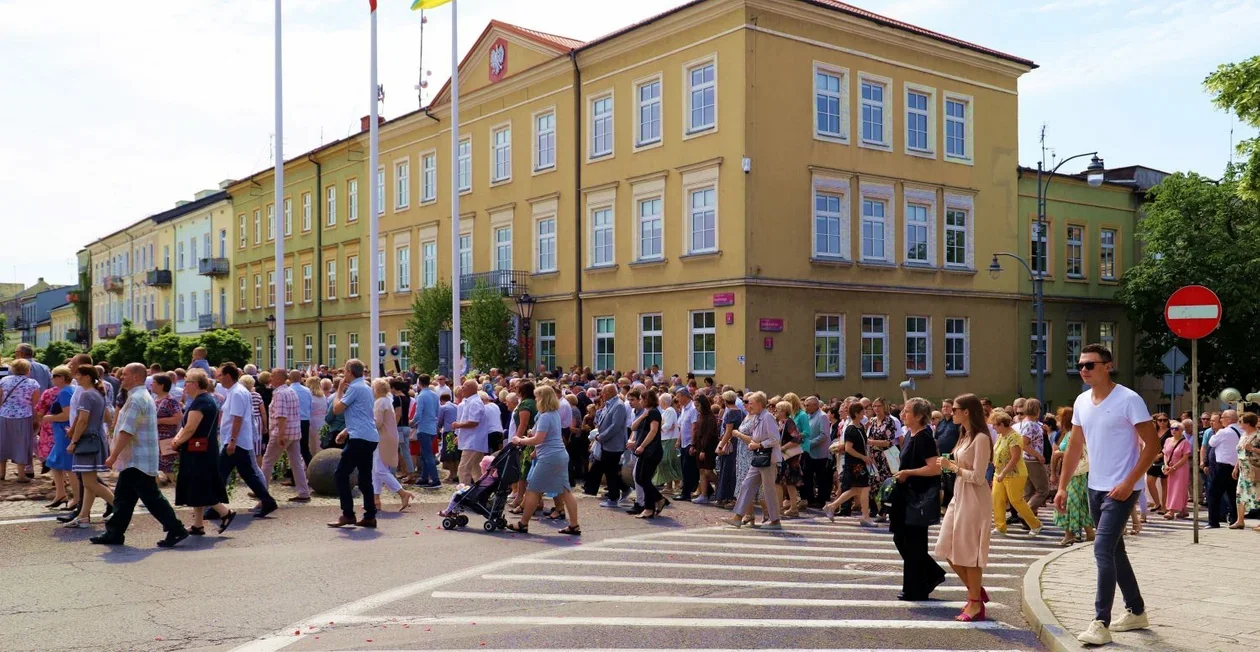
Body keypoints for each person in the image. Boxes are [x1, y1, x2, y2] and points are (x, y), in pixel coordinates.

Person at [1056, 343, 1158, 646]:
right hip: (1094, 486)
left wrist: (1129, 483)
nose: (1084, 370)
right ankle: (1137, 611)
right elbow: (1074, 447)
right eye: (1080, 366)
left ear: (1108, 366)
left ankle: (1101, 621)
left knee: (1101, 549)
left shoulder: (1129, 399)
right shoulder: (1081, 401)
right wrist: (1061, 486)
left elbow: (1152, 446)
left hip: (1121, 489)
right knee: (1115, 551)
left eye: (1090, 365)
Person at [86, 363, 189, 547]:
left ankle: (176, 528)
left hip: (137, 458)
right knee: (124, 498)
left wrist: (112, 456)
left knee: (151, 497)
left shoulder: (136, 399)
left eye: (124, 374)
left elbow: (127, 431)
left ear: (135, 376)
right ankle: (115, 533)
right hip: (135, 458)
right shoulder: (139, 396)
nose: (120, 377)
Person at [937, 393, 993, 621]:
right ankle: (976, 591)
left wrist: (953, 467)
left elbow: (980, 477)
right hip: (959, 494)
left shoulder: (980, 438)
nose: (951, 413)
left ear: (967, 411)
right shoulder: (965, 435)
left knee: (969, 553)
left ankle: (975, 603)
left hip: (974, 498)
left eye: (956, 409)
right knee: (945, 547)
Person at [889, 397, 945, 602]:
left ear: (919, 416)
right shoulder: (911, 435)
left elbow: (935, 467)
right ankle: (930, 575)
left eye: (907, 411)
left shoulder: (924, 437)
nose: (903, 414)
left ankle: (917, 587)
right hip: (905, 495)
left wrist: (908, 473)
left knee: (913, 542)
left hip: (916, 497)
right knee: (902, 539)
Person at [506, 385, 580, 535]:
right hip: (558, 455)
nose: (536, 400)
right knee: (566, 491)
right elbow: (547, 438)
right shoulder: (553, 414)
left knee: (533, 489)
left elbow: (539, 438)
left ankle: (523, 523)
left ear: (543, 399)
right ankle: (574, 525)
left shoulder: (546, 416)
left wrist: (520, 440)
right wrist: (534, 448)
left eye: (537, 397)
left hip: (549, 457)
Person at [171, 369, 234, 536]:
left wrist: (177, 442)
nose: (184, 386)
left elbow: (190, 428)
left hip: (198, 450)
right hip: (204, 448)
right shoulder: (206, 400)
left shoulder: (200, 403)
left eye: (187, 383)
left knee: (199, 484)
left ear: (196, 384)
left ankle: (224, 512)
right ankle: (198, 524)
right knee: (197, 485)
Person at [216, 363, 278, 519]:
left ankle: (216, 507)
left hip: (236, 442)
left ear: (228, 376)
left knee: (222, 473)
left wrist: (232, 440)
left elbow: (237, 418)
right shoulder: (236, 391)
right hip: (238, 441)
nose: (218, 378)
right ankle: (267, 501)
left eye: (220, 375)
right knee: (245, 474)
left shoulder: (237, 393)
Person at [328, 359, 379, 528]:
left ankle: (348, 514)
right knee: (365, 478)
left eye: (344, 371)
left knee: (341, 474)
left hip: (359, 437)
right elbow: (361, 414)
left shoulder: (354, 388)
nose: (343, 374)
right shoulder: (366, 387)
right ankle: (370, 515)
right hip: (368, 436)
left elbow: (336, 409)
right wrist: (346, 431)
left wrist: (339, 391)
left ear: (350, 372)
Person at [724, 391, 782, 530]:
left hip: (768, 459)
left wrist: (759, 444)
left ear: (759, 404)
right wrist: (754, 443)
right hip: (759, 458)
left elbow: (775, 439)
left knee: (768, 490)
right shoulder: (757, 417)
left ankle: (775, 521)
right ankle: (738, 517)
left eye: (751, 403)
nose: (748, 405)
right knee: (746, 484)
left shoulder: (767, 417)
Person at [260, 369, 311, 503]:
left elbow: (281, 416)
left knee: (267, 461)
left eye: (272, 376)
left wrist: (280, 434)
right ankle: (303, 492)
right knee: (296, 462)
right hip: (294, 431)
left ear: (278, 378)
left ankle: (261, 491)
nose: (270, 378)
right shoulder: (291, 391)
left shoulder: (280, 393)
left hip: (283, 432)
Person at [989, 410, 1042, 536]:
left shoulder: (1014, 437)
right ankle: (1000, 526)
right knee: (997, 499)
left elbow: (1015, 458)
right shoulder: (1001, 435)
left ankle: (1036, 524)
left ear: (1002, 424)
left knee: (1016, 500)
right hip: (999, 473)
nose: (993, 427)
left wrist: (1003, 473)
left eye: (995, 425)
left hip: (1015, 474)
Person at [824, 401, 876, 526]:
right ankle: (865, 516)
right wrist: (863, 457)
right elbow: (848, 448)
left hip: (860, 463)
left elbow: (863, 443)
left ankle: (832, 506)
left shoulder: (860, 427)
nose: (864, 413)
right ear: (857, 413)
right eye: (862, 411)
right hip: (855, 464)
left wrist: (868, 455)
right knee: (864, 488)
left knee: (856, 489)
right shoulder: (851, 429)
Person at [371, 378, 414, 512]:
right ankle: (375, 499)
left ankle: (402, 493)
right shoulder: (387, 400)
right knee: (376, 469)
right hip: (388, 436)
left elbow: (377, 423)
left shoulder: (380, 402)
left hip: (383, 438)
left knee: (379, 469)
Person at [39, 366, 77, 509]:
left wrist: (50, 417)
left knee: (68, 466)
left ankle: (76, 498)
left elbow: (67, 415)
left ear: (61, 377)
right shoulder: (69, 390)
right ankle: (61, 494)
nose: (52, 378)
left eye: (54, 376)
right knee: (54, 462)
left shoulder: (65, 392)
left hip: (63, 431)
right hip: (62, 431)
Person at [0, 358, 40, 483]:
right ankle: (21, 475)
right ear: (28, 370)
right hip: (24, 416)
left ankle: (1, 473)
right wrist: (37, 419)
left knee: (3, 443)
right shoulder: (33, 383)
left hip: (4, 415)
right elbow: (35, 404)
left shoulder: (4, 380)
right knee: (22, 444)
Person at [628, 388, 665, 518]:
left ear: (647, 400)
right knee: (641, 478)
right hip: (644, 450)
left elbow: (653, 431)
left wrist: (642, 446)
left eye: (642, 399)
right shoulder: (646, 413)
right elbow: (633, 427)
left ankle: (655, 503)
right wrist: (643, 415)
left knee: (642, 478)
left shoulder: (654, 413)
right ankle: (651, 506)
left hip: (651, 450)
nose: (640, 401)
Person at [594, 384, 628, 507]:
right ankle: (624, 489)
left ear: (608, 392)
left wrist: (601, 437)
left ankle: (613, 499)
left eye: (603, 392)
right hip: (607, 444)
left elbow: (615, 426)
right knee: (610, 470)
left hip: (614, 444)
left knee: (611, 472)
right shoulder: (610, 404)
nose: (601, 395)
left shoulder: (618, 405)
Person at [1207, 410, 1242, 528]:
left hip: (1223, 467)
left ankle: (1213, 522)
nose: (1221, 420)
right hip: (1237, 467)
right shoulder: (1242, 430)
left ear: (1229, 419)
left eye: (1222, 417)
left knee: (1213, 494)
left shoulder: (1223, 432)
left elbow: (1211, 442)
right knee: (1233, 494)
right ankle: (1235, 520)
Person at [1019, 398, 1052, 516]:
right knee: (1043, 490)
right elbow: (1023, 444)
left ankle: (1028, 520)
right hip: (1032, 460)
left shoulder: (1030, 423)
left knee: (1029, 490)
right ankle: (1025, 512)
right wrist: (1039, 455)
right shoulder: (1030, 424)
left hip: (1028, 459)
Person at [451, 380, 487, 485]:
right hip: (472, 441)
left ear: (471, 388)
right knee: (476, 471)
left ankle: (464, 494)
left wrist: (458, 425)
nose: (461, 388)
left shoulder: (474, 402)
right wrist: (460, 435)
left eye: (464, 386)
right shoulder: (470, 401)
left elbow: (474, 422)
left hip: (473, 442)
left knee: (463, 470)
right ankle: (481, 494)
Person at [773, 400, 804, 518]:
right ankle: (793, 508)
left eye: (778, 409)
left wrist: (782, 448)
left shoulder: (789, 423)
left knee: (779, 482)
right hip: (786, 457)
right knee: (789, 483)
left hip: (789, 457)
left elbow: (797, 439)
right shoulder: (782, 422)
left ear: (784, 411)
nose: (776, 411)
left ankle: (780, 508)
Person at [410, 374, 441, 489]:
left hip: (423, 428)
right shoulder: (434, 395)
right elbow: (438, 411)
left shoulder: (421, 396)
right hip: (432, 427)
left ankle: (435, 479)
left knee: (427, 455)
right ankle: (424, 477)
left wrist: (411, 423)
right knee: (425, 454)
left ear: (419, 383)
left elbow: (418, 414)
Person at [152, 374, 183, 484]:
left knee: (170, 470)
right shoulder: (155, 399)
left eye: (154, 383)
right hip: (156, 440)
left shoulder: (170, 400)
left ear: (161, 385)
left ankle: (185, 494)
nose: (151, 384)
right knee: (153, 470)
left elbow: (178, 417)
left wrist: (159, 421)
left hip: (166, 440)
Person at [1232, 412, 1260, 530]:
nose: (1239, 423)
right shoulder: (1243, 435)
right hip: (1243, 470)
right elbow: (1240, 453)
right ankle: (1240, 520)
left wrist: (1252, 449)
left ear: (1247, 423)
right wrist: (1236, 467)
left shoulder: (1258, 436)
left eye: (1241, 421)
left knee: (1258, 495)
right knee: (1240, 494)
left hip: (1254, 469)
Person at [1160, 419, 1193, 520]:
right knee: (1171, 488)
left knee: (1179, 488)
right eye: (1172, 428)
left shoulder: (1185, 442)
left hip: (1181, 468)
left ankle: (1171, 510)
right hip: (1170, 467)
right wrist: (1166, 465)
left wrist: (1174, 467)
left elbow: (1185, 457)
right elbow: (1165, 454)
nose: (1173, 431)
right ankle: (1183, 509)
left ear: (1181, 430)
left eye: (1176, 429)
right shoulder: (1167, 440)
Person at [653, 392, 682, 495]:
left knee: (666, 462)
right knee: (667, 462)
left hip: (669, 439)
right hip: (665, 438)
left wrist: (657, 429)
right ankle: (670, 486)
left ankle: (677, 483)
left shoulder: (669, 410)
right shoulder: (666, 411)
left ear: (664, 401)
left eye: (660, 401)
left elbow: (668, 425)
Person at [692, 394, 719, 505]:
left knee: (708, 471)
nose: (696, 408)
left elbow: (709, 435)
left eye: (698, 405)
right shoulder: (701, 416)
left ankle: (719, 486)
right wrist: (693, 445)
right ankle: (703, 495)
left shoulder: (710, 417)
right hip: (700, 446)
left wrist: (703, 449)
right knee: (702, 471)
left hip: (708, 447)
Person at [1146, 413, 1171, 515]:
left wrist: (1159, 456)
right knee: (1150, 482)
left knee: (1164, 484)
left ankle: (1164, 507)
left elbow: (1170, 447)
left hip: (1164, 459)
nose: (1162, 422)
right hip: (1153, 459)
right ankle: (1157, 503)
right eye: (1160, 420)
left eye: (1164, 420)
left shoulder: (1170, 432)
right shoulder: (1154, 431)